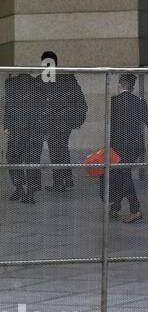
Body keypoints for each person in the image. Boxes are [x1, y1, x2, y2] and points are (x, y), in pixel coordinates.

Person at [106, 73, 148, 223]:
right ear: (133, 87)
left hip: (119, 146)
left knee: (123, 175)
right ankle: (116, 206)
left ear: (120, 84)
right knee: (122, 174)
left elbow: (110, 127)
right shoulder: (140, 102)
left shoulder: (113, 102)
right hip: (135, 147)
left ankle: (135, 209)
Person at [38, 51, 87, 192]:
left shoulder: (46, 78)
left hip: (54, 121)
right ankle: (67, 178)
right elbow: (79, 99)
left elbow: (45, 102)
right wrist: (76, 120)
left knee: (56, 151)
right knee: (62, 149)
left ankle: (59, 181)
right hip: (65, 121)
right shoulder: (67, 77)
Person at [3, 71, 42, 203]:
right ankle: (30, 193)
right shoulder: (38, 84)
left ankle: (20, 188)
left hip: (16, 129)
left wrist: (7, 126)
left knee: (13, 159)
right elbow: (43, 108)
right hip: (34, 129)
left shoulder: (11, 83)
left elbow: (9, 106)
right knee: (32, 161)